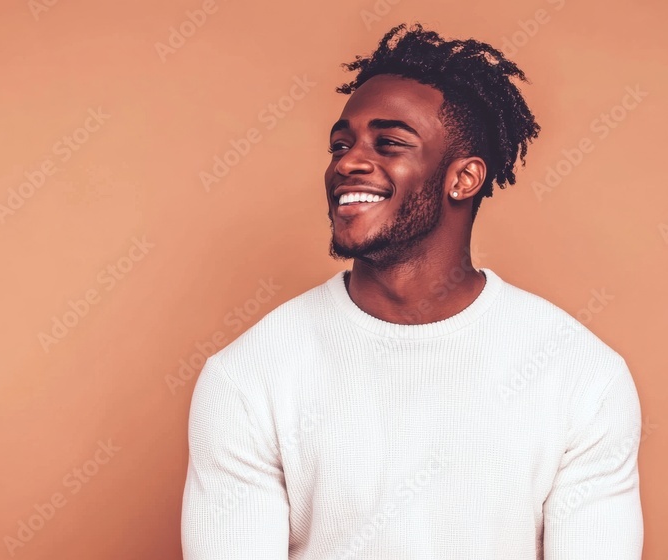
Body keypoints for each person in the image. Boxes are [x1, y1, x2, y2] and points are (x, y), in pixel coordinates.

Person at [181, 22, 643, 560]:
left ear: (464, 179)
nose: (347, 162)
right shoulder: (247, 377)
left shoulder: (583, 375)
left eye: (390, 143)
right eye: (340, 145)